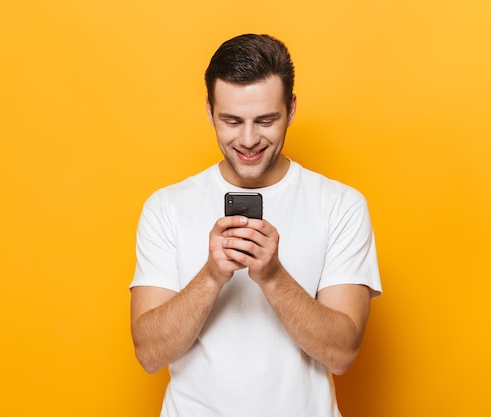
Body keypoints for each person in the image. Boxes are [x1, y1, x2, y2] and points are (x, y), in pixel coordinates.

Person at [130, 33, 382, 417]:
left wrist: (273, 276)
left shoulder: (340, 206)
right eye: (232, 121)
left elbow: (342, 353)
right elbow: (149, 353)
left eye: (265, 120)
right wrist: (213, 275)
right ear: (210, 111)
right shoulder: (166, 208)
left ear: (291, 109)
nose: (248, 140)